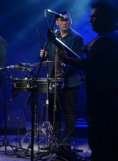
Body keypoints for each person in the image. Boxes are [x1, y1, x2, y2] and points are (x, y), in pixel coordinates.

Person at [58, 0, 118, 161]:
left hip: (103, 104)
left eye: (95, 17)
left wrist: (65, 59)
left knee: (101, 145)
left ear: (106, 18)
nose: (91, 20)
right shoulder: (115, 36)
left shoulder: (107, 41)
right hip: (108, 103)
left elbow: (88, 64)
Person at [40, 11, 84, 148]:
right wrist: (44, 55)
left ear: (70, 21)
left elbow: (79, 60)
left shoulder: (77, 38)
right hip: (55, 81)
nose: (64, 22)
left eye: (67, 20)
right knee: (54, 110)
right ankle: (55, 139)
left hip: (70, 80)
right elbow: (50, 59)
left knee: (69, 111)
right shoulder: (52, 38)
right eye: (62, 20)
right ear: (57, 22)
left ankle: (67, 140)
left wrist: (65, 67)